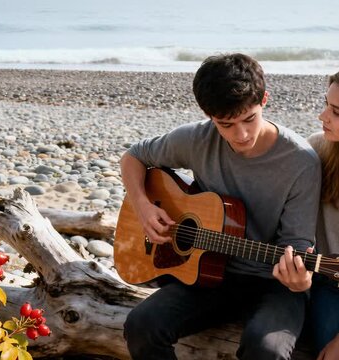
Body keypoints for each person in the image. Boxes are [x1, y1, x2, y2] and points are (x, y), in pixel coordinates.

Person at [120, 53, 321, 360]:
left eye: (249, 119)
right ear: (209, 115)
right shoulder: (196, 139)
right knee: (141, 325)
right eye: (226, 124)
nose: (240, 135)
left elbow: (296, 246)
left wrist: (301, 279)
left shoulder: (301, 162)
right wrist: (144, 206)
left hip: (274, 283)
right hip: (208, 273)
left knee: (266, 350)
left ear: (265, 99)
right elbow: (133, 157)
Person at [274, 72, 339, 360]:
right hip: (329, 283)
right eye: (326, 104)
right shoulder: (317, 149)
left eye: (336, 112)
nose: (321, 115)